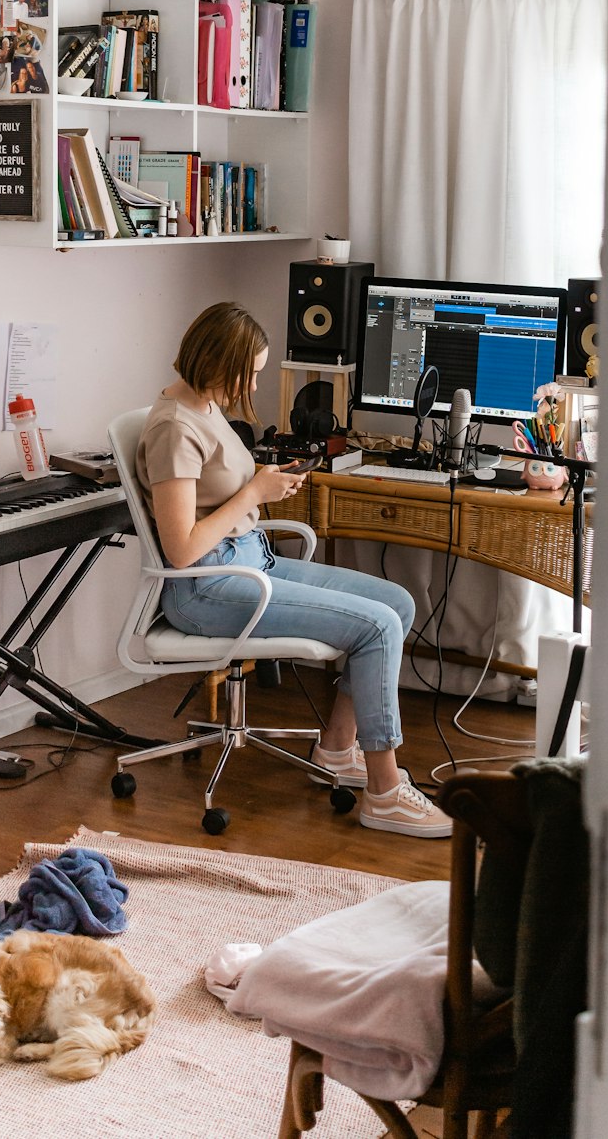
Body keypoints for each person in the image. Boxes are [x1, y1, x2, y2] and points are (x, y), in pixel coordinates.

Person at [137, 302, 452, 839]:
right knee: (376, 627)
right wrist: (256, 492)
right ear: (221, 362)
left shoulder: (205, 405)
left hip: (249, 559)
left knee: (396, 604)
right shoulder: (174, 428)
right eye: (252, 370)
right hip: (208, 587)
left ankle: (336, 751)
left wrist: (262, 480)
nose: (256, 381)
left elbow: (219, 491)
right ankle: (384, 792)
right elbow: (183, 549)